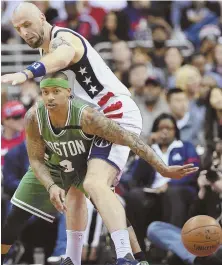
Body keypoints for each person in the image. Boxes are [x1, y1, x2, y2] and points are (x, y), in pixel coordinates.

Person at [1, 2, 198, 265]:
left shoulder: (63, 38)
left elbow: (60, 57)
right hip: (89, 122)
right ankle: (81, 258)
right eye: (18, 29)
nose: (24, 32)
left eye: (27, 24)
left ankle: (125, 257)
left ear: (41, 16)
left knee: (95, 184)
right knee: (76, 187)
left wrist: (28, 72)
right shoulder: (44, 49)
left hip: (114, 112)